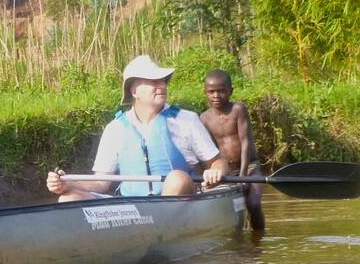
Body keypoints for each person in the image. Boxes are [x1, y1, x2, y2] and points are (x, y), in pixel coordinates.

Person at [47, 55, 228, 200]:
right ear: (134, 92)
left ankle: (162, 235)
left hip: (181, 201)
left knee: (177, 178)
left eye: (163, 81)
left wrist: (216, 170)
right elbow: (101, 183)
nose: (162, 86)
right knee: (69, 198)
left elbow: (218, 162)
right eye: (153, 82)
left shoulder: (186, 120)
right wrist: (68, 183)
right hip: (133, 208)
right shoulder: (115, 129)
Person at [199, 69, 265, 230]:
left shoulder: (238, 109)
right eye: (212, 92)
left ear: (230, 91)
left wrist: (243, 176)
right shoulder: (204, 118)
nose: (216, 96)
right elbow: (207, 151)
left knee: (253, 204)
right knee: (222, 206)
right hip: (225, 172)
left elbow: (245, 142)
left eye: (221, 91)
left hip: (249, 167)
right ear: (205, 93)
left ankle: (259, 240)